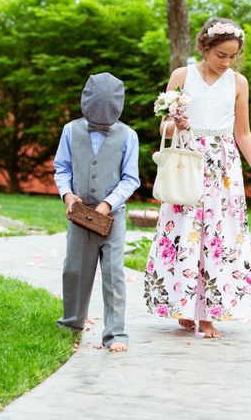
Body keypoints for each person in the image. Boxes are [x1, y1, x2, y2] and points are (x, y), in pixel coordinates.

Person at [144, 18, 251, 338]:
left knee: (217, 236)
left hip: (223, 169)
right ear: (205, 47)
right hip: (188, 163)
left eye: (232, 57)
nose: (226, 63)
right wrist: (178, 123)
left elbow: (243, 133)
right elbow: (164, 128)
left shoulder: (238, 83)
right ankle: (184, 305)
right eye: (221, 56)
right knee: (186, 232)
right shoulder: (182, 76)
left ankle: (209, 314)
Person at [54, 72, 140, 353]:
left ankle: (115, 333)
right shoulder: (70, 130)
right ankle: (72, 321)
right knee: (74, 269)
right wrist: (67, 195)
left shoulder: (129, 135)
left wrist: (108, 203)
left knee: (114, 273)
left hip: (111, 218)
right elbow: (62, 168)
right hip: (78, 215)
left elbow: (131, 179)